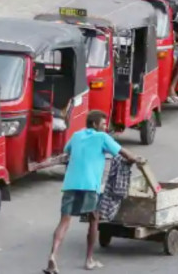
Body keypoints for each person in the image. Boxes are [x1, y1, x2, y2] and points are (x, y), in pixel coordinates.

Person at [44, 111, 144, 273]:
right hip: (90, 186)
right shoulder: (102, 138)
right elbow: (125, 153)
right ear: (95, 124)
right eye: (103, 125)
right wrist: (136, 159)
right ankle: (89, 260)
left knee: (64, 221)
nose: (105, 128)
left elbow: (67, 150)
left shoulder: (76, 135)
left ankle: (53, 256)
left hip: (70, 184)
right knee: (94, 219)